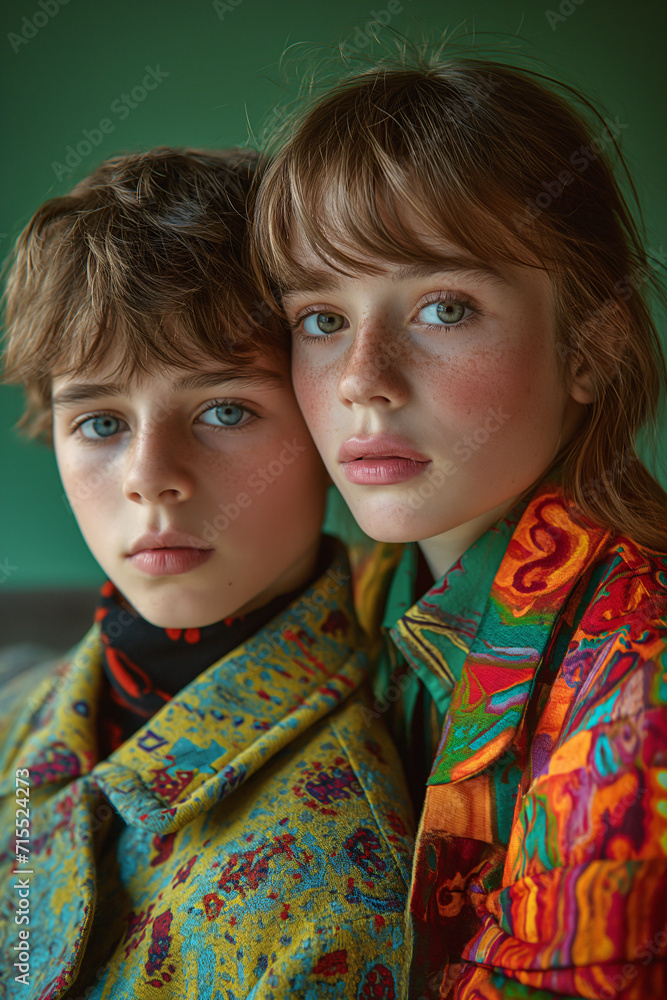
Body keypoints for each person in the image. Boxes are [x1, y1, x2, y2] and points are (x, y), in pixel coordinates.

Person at [253, 54, 667, 999]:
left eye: (443, 308)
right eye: (321, 319)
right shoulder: (363, 591)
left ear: (589, 347)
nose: (362, 379)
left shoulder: (639, 690)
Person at [0, 147, 415, 999]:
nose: (151, 476)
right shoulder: (21, 717)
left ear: (330, 426)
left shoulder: (334, 890)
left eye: (225, 410)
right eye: (101, 422)